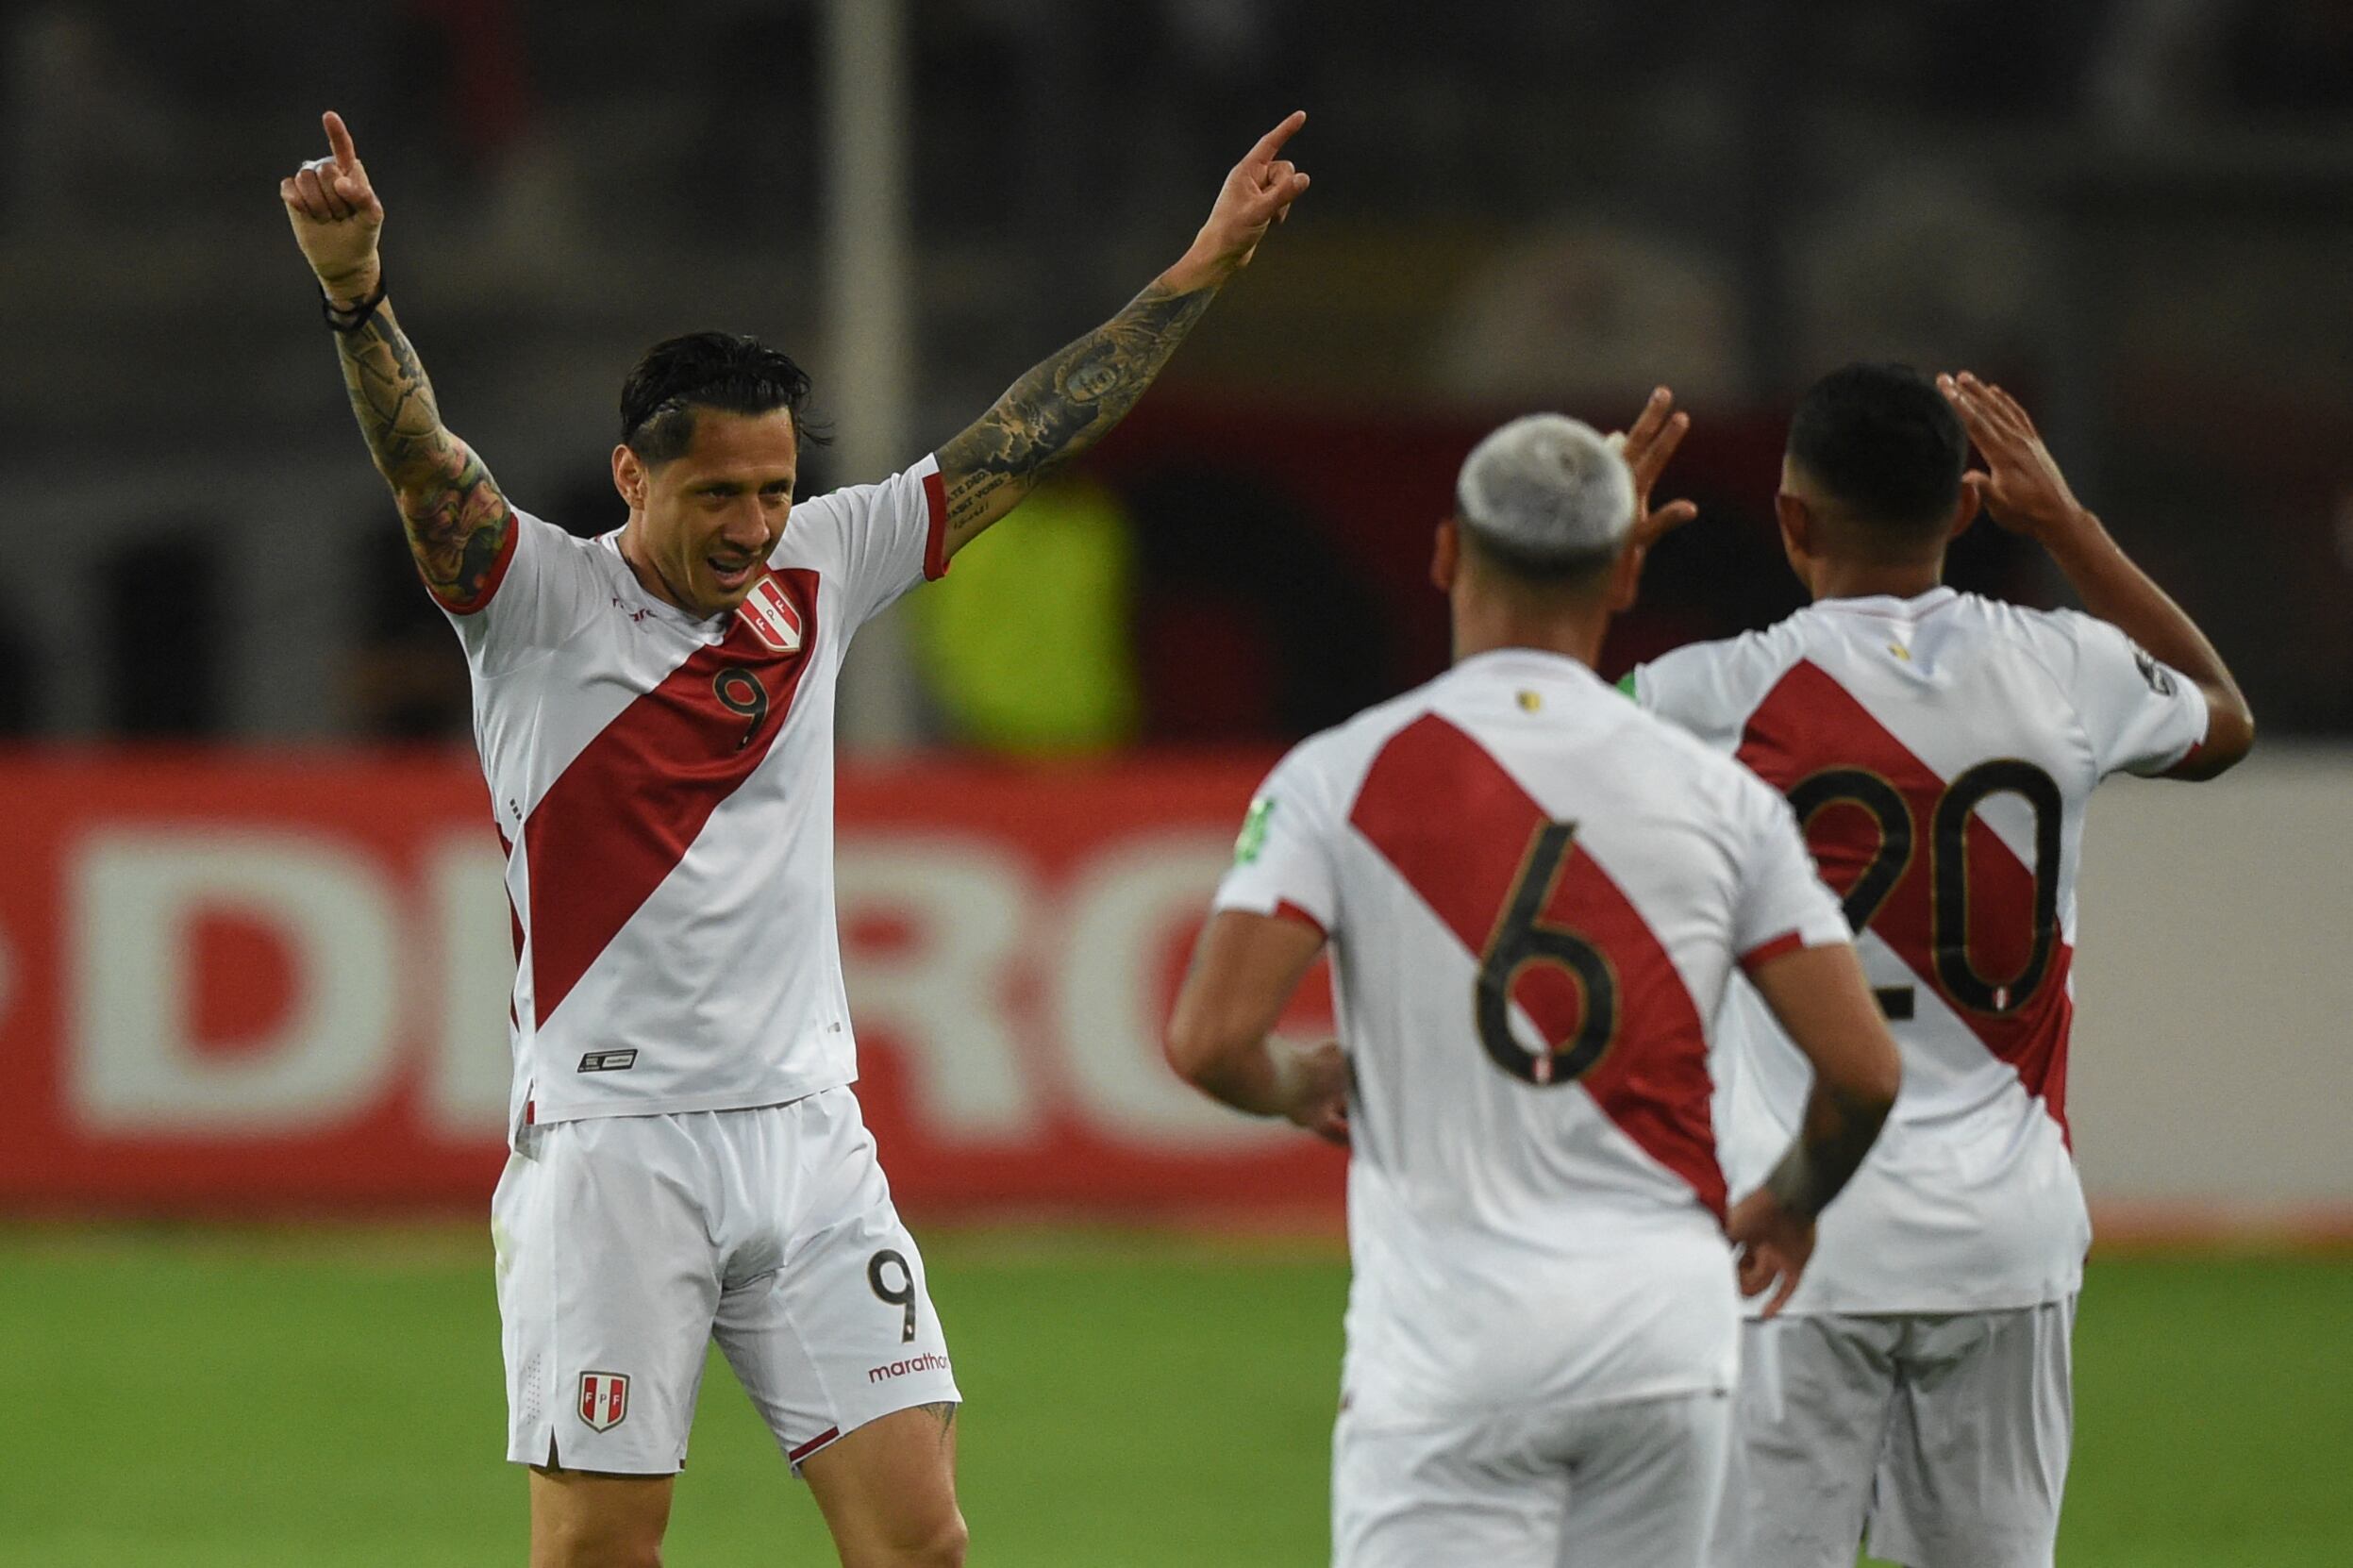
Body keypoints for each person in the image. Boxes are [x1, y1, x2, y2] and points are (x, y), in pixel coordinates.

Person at [279, 106, 1310, 1568]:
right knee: (597, 1555)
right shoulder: (532, 604)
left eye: (774, 486)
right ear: (634, 479)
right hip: (615, 1151)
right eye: (719, 493)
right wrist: (355, 291)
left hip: (812, 1139)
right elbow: (422, 460)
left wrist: (1202, 264)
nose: (758, 521)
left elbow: (1038, 422)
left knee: (923, 1544)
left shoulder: (826, 561)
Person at [1163, 408, 1905, 1568]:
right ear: (1626, 576)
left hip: (1452, 1345)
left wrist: (1294, 1082)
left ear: (1447, 554)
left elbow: (1209, 1041)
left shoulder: (1340, 776)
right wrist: (1794, 1200)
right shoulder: (1719, 798)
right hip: (1663, 1332)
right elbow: (1862, 1072)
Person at [1617, 365, 2256, 1568]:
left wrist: (1583, 566)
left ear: (1790, 519)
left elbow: (1511, 739)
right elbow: (2222, 716)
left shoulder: (1714, 695)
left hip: (1796, 1235)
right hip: (2002, 1244)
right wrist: (2069, 525)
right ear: (1968, 509)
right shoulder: (2069, 671)